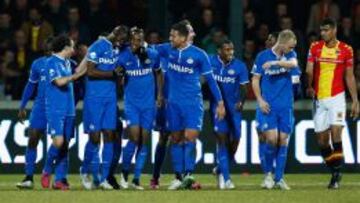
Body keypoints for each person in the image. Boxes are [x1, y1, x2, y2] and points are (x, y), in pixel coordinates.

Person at [154, 22, 225, 190]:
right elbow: (147, 48)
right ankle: (178, 177)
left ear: (184, 38)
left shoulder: (199, 55)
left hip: (193, 103)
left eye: (174, 36)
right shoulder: (167, 49)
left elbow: (211, 80)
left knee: (190, 137)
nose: (170, 38)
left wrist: (220, 102)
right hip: (173, 103)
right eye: (170, 35)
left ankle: (188, 174)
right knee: (176, 139)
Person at [306, 18, 359, 189]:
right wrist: (309, 85)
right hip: (319, 99)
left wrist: (356, 100)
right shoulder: (315, 47)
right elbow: (309, 70)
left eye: (326, 30)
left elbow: (349, 76)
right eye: (321, 30)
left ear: (334, 30)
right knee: (322, 141)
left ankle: (335, 176)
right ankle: (335, 169)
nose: (323, 33)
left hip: (337, 98)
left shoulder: (346, 49)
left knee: (336, 132)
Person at [80, 25, 128, 190]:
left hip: (110, 98)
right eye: (121, 39)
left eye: (124, 41)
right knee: (94, 137)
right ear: (115, 33)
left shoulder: (117, 50)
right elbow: (90, 72)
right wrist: (112, 74)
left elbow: (119, 71)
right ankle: (85, 170)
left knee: (109, 134)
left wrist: (120, 75)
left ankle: (104, 178)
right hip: (94, 98)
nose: (122, 43)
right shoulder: (97, 46)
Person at [150, 19, 196, 190]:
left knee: (185, 136)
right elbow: (150, 53)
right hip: (167, 100)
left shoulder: (194, 53)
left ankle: (183, 176)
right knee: (165, 137)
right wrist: (160, 94)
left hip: (185, 102)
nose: (193, 34)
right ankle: (156, 176)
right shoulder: (166, 49)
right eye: (191, 31)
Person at [252, 29, 298, 190]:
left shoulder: (289, 56)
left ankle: (279, 178)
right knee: (271, 139)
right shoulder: (262, 56)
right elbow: (255, 80)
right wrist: (260, 100)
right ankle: (268, 175)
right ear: (283, 43)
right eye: (290, 47)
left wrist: (275, 63)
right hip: (268, 105)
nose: (292, 50)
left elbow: (294, 65)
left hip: (285, 106)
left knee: (283, 140)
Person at [118, 27, 162, 190]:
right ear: (130, 41)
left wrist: (160, 95)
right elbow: (118, 76)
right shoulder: (123, 56)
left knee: (144, 140)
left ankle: (136, 179)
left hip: (148, 104)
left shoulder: (152, 54)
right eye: (136, 40)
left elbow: (159, 73)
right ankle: (124, 174)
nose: (139, 43)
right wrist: (120, 76)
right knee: (134, 137)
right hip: (132, 104)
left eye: (141, 39)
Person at [40, 34, 86, 190]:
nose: (74, 50)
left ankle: (60, 180)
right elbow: (59, 82)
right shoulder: (51, 62)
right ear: (65, 48)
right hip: (55, 109)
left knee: (65, 145)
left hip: (69, 109)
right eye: (72, 47)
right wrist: (74, 76)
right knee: (58, 142)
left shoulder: (68, 62)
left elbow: (80, 68)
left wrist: (92, 54)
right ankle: (46, 170)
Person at [209, 39, 249, 189]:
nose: (231, 53)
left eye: (232, 49)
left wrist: (241, 101)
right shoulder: (211, 62)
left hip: (234, 109)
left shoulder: (240, 66)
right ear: (219, 51)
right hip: (217, 108)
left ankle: (220, 167)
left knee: (236, 139)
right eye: (227, 50)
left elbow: (245, 87)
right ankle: (226, 179)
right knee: (222, 141)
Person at [16, 37, 53, 189]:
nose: (47, 47)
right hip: (40, 108)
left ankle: (48, 171)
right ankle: (29, 177)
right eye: (46, 44)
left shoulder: (65, 63)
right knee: (33, 139)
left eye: (50, 45)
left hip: (57, 107)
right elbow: (30, 86)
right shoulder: (37, 63)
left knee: (59, 142)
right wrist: (22, 105)